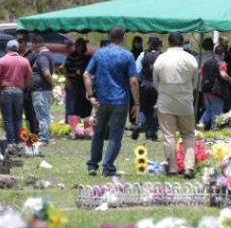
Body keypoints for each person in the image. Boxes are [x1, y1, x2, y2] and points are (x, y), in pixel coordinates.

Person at [83, 26, 140, 177]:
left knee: (99, 133)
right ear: (123, 38)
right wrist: (137, 103)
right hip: (120, 100)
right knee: (115, 135)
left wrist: (91, 96)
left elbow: (86, 75)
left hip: (101, 100)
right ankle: (108, 167)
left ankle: (93, 165)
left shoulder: (99, 54)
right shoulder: (127, 56)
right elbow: (133, 81)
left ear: (109, 36)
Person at [153, 32, 200, 177]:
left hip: (166, 102)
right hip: (185, 102)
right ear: (182, 43)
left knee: (169, 136)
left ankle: (172, 168)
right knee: (188, 135)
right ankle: (188, 168)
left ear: (169, 42)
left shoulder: (160, 59)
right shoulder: (190, 59)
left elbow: (156, 83)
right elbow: (195, 83)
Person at [0, 39, 32, 146]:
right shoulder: (24, 61)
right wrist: (25, 86)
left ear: (7, 48)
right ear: (17, 49)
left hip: (5, 90)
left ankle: (11, 141)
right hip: (19, 91)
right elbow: (29, 76)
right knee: (18, 117)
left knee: (8, 117)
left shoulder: (2, 60)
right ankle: (19, 140)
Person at [131, 36, 162, 141]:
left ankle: (139, 123)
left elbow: (137, 70)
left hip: (144, 84)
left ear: (149, 44)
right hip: (156, 85)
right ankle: (151, 133)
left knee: (143, 107)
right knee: (155, 109)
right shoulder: (162, 56)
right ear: (158, 45)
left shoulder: (142, 54)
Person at [27, 35, 55, 144]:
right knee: (44, 114)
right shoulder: (47, 55)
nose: (31, 47)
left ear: (35, 44)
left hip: (41, 90)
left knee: (42, 115)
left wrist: (52, 84)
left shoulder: (42, 57)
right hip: (43, 90)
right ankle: (44, 137)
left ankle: (43, 139)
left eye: (32, 45)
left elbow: (46, 73)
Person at [199, 44, 231, 131]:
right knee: (216, 113)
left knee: (208, 110)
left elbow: (200, 72)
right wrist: (230, 79)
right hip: (216, 92)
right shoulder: (221, 63)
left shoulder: (206, 62)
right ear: (222, 54)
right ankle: (215, 132)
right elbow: (222, 74)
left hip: (206, 91)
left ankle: (201, 125)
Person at [64, 38, 93, 120]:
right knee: (71, 107)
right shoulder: (71, 56)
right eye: (78, 46)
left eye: (81, 46)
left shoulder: (87, 57)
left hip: (84, 86)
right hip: (73, 85)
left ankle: (83, 125)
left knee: (84, 106)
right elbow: (65, 68)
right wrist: (68, 81)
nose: (79, 48)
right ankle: (69, 125)